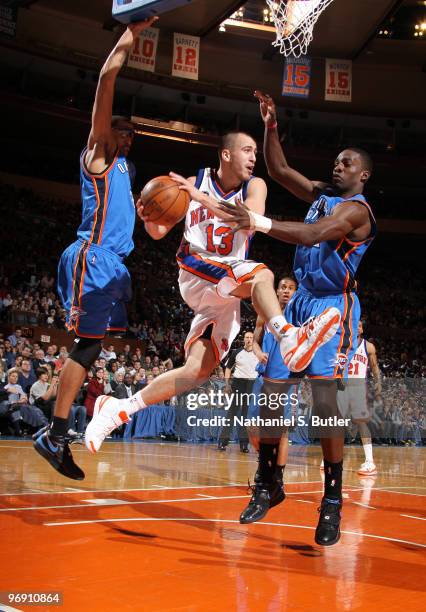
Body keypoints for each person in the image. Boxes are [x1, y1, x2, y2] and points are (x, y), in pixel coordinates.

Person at [84, 130, 341, 454]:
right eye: (247, 150)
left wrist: (199, 198)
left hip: (226, 290)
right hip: (196, 267)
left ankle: (118, 408)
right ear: (226, 154)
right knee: (263, 274)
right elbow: (159, 231)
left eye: (254, 153)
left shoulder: (254, 186)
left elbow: (249, 222)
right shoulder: (195, 181)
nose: (252, 157)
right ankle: (288, 337)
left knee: (197, 370)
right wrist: (147, 214)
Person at [216, 91, 376, 546]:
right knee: (272, 394)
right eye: (336, 161)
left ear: (362, 174)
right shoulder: (324, 195)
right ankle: (269, 482)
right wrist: (270, 126)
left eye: (346, 164)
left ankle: (332, 500)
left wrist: (258, 223)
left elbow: (313, 233)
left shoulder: (355, 212)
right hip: (300, 302)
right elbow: (280, 170)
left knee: (325, 406)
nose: (336, 166)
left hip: (332, 307)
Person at [33, 18, 157, 480]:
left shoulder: (127, 173)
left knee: (94, 346)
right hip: (92, 256)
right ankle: (56, 431)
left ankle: (63, 425)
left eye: (131, 133)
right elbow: (107, 79)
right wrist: (131, 35)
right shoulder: (100, 154)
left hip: (113, 265)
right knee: (85, 346)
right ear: (108, 131)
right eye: (122, 128)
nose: (127, 135)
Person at [240, 276, 298, 523]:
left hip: (285, 379)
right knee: (253, 427)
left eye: (290, 288)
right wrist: (259, 352)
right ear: (276, 290)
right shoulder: (265, 311)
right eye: (283, 287)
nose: (286, 291)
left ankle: (278, 480)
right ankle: (268, 465)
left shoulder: (298, 314)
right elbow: (254, 340)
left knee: (280, 431)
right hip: (263, 375)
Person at [336, 320, 381, 475]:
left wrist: (378, 383)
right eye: (355, 324)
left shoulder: (368, 346)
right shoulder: (341, 344)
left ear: (362, 330)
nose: (357, 327)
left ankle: (370, 461)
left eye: (360, 325)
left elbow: (375, 367)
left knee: (362, 423)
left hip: (358, 388)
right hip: (342, 388)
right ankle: (332, 458)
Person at [218, 331, 259, 453]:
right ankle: (223, 442)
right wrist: (226, 384)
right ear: (243, 339)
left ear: (253, 340)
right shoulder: (237, 352)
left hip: (252, 384)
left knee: (246, 416)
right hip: (238, 383)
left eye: (251, 337)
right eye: (247, 337)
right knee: (232, 413)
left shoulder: (258, 353)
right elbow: (228, 368)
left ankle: (244, 444)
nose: (249, 339)